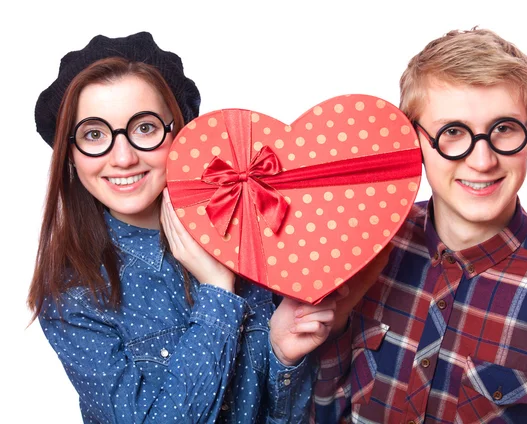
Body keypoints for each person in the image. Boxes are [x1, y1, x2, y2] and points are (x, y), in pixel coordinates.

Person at [28, 31, 336, 424]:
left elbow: (290, 414)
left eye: (144, 128)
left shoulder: (254, 228)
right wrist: (217, 292)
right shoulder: (74, 295)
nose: (122, 157)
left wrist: (282, 356)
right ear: (70, 153)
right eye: (94, 135)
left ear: (180, 131)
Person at [312, 28, 527, 423]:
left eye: (504, 129)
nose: (482, 161)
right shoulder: (366, 244)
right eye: (452, 132)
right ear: (414, 140)